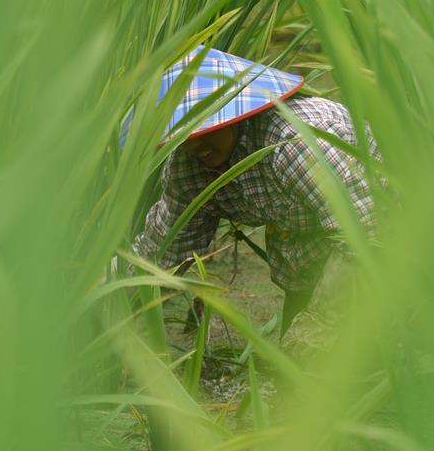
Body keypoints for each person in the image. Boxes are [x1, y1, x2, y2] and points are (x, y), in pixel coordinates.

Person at [129, 46, 379, 336]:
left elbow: (364, 232)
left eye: (205, 129)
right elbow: (163, 250)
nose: (196, 146)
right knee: (296, 360)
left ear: (234, 113)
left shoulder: (293, 143)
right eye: (184, 136)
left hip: (383, 224)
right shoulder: (189, 167)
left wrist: (319, 323)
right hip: (303, 251)